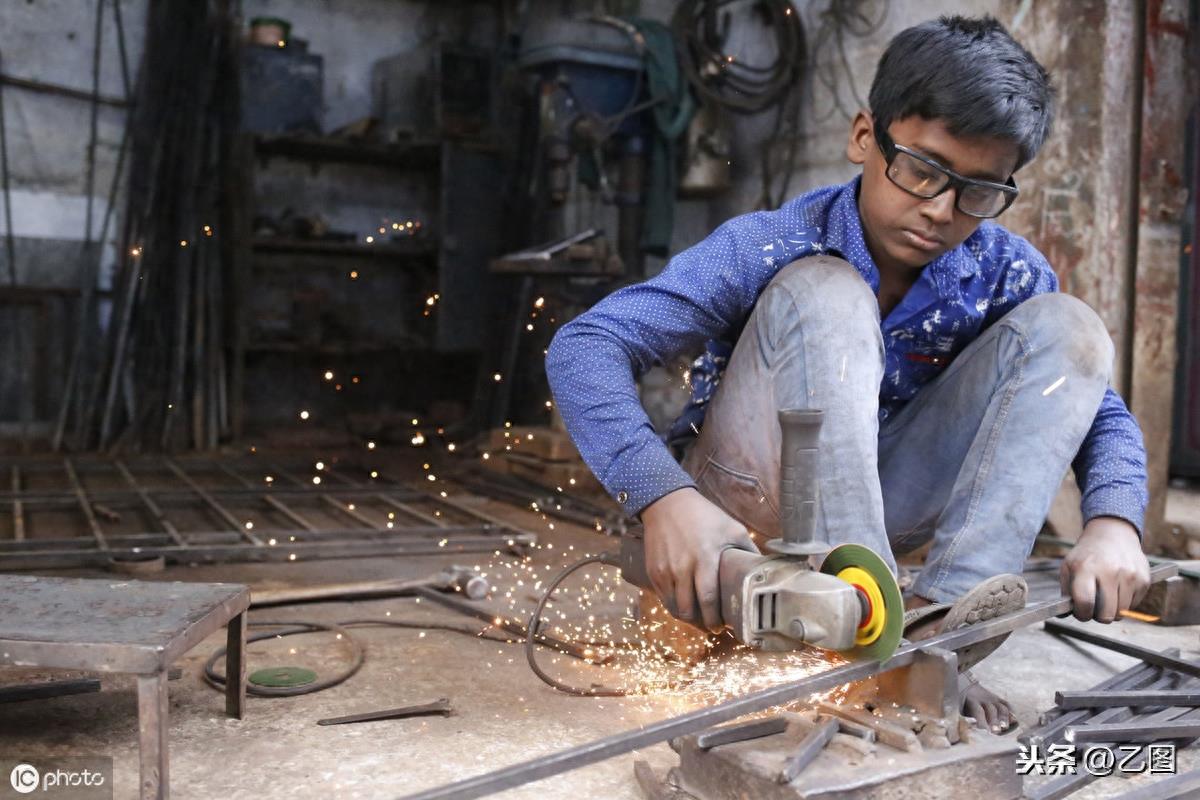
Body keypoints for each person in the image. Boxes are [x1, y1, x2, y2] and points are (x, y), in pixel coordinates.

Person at [545, 15, 1151, 732]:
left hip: (874, 527)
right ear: (865, 136)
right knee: (827, 291)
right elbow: (584, 346)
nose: (939, 210)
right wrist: (661, 498)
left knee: (1070, 330)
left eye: (978, 191)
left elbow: (1095, 409)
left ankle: (932, 642)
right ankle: (873, 643)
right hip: (743, 512)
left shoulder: (1002, 273)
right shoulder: (769, 243)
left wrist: (1115, 521)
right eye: (922, 169)